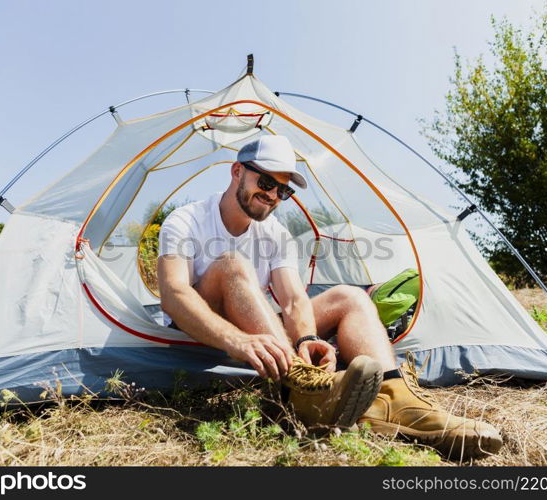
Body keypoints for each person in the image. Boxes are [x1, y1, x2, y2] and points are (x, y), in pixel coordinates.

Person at [156, 135, 502, 459]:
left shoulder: (275, 234)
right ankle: (297, 389)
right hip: (206, 333)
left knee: (349, 297)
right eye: (265, 183)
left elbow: (293, 300)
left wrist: (306, 337)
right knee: (232, 264)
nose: (273, 195)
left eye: (283, 191)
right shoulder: (186, 220)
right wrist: (238, 340)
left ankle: (397, 401)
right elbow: (174, 295)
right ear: (237, 172)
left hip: (258, 330)